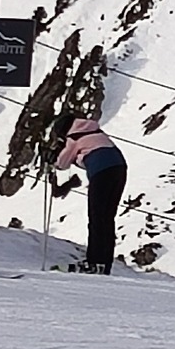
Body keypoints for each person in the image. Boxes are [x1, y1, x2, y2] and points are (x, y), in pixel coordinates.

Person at [50, 108, 128, 272]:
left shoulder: (74, 137)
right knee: (107, 218)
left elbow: (61, 163)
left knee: (96, 218)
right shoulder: (96, 132)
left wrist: (55, 154)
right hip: (119, 168)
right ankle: (104, 262)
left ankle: (94, 261)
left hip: (101, 172)